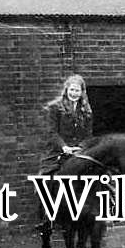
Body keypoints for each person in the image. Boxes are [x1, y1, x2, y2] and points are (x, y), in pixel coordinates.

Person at [37, 74, 94, 233]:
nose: (74, 93)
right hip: (57, 153)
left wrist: (81, 147)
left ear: (82, 92)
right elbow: (52, 133)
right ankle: (47, 218)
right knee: (47, 180)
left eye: (77, 90)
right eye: (72, 90)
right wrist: (64, 147)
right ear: (66, 90)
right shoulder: (55, 107)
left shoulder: (87, 110)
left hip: (78, 152)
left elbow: (88, 135)